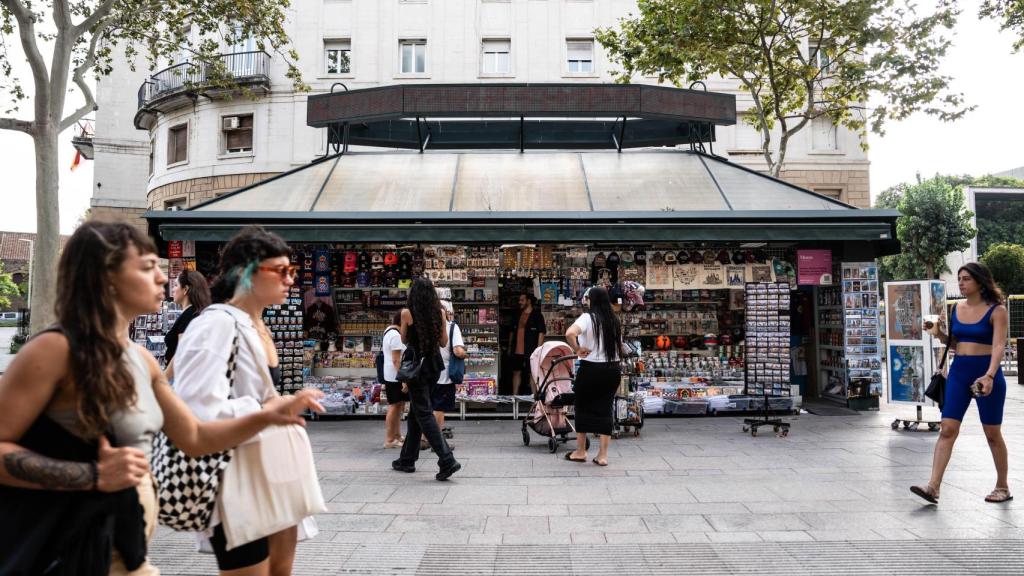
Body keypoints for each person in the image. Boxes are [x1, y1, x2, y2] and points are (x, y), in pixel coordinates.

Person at [0, 221, 323, 576]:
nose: (162, 279)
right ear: (104, 277)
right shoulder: (55, 349)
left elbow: (196, 437)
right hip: (63, 552)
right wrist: (91, 474)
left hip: (127, 551)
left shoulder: (142, 359)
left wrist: (269, 414)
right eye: (146, 267)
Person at [173, 226, 325, 575]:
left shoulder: (254, 324)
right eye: (281, 271)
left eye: (293, 271)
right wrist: (268, 410)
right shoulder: (216, 324)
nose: (290, 280)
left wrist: (279, 403)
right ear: (246, 272)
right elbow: (195, 411)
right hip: (236, 476)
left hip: (273, 469)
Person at [912, 262, 1012, 505]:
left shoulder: (997, 310)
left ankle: (1003, 486)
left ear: (980, 280)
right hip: (959, 372)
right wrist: (938, 334)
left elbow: (999, 345)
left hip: (985, 374)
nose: (961, 283)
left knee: (992, 434)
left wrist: (989, 375)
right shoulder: (956, 308)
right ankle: (933, 487)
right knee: (947, 428)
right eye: (959, 279)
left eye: (966, 279)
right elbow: (956, 344)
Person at [391, 278, 461, 480]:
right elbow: (443, 341)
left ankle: (446, 459)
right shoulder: (439, 313)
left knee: (423, 413)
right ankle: (407, 460)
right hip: (433, 366)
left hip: (416, 369)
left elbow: (403, 340)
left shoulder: (406, 313)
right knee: (417, 413)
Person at [564, 286, 622, 467]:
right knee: (605, 408)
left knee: (582, 407)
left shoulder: (587, 318)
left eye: (588, 298)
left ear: (593, 300)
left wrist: (577, 349)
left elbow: (569, 333)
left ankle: (581, 451)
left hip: (591, 369)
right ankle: (603, 455)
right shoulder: (615, 320)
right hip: (612, 369)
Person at [432, 300, 466, 443]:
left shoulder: (426, 327)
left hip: (427, 373)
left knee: (429, 406)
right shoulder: (452, 327)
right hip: (444, 374)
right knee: (439, 407)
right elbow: (458, 351)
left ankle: (425, 436)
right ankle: (436, 440)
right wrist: (465, 354)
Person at [165, 270, 211, 364]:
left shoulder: (189, 315)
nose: (173, 289)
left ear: (185, 289)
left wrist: (165, 376)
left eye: (176, 285)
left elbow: (181, 354)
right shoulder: (196, 313)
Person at [508, 293, 545, 395]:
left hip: (531, 349)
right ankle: (514, 397)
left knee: (532, 374)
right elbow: (512, 331)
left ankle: (535, 399)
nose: (520, 302)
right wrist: (510, 346)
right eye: (520, 300)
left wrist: (538, 349)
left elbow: (541, 332)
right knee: (516, 372)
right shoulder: (517, 314)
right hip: (517, 349)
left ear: (528, 301)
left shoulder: (537, 315)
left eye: (522, 300)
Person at [382, 311, 408, 449]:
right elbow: (396, 360)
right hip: (395, 377)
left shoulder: (388, 331)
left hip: (391, 375)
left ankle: (397, 435)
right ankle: (390, 439)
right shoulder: (396, 336)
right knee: (394, 406)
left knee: (398, 406)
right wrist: (403, 378)